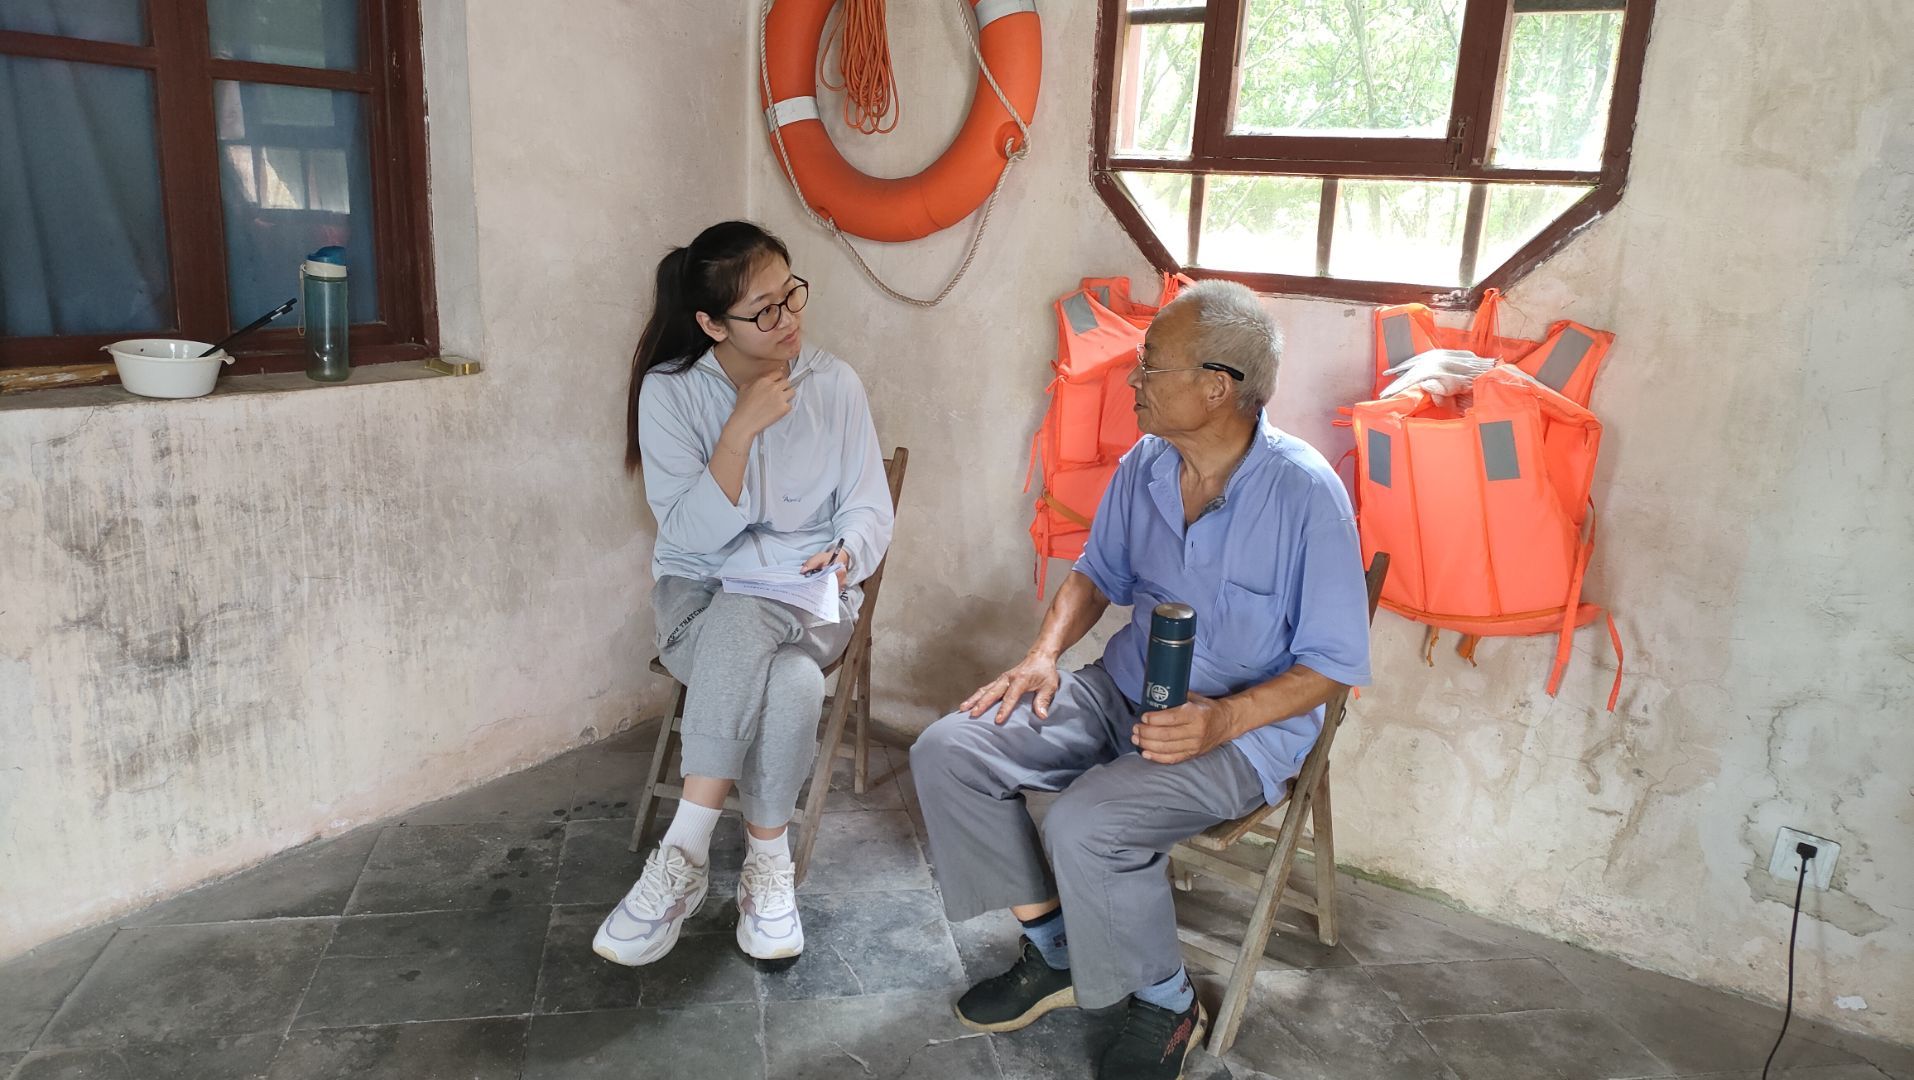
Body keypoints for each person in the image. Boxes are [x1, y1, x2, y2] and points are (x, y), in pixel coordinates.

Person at [909, 280, 1372, 1080]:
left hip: (1240, 734)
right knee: (950, 750)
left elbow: (1333, 667)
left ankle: (1167, 1003)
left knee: (1087, 822)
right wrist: (1043, 655)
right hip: (1121, 693)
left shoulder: (1306, 497)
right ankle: (1054, 950)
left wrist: (1222, 721)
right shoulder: (1147, 466)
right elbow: (1096, 575)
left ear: (1217, 386)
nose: (1133, 381)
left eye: (1150, 366)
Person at [595, 220, 893, 968]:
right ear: (710, 324)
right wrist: (738, 432)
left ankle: (683, 853)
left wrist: (846, 553)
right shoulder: (671, 393)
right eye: (763, 310)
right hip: (698, 602)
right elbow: (689, 537)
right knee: (790, 679)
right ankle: (768, 865)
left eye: (791, 294)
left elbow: (868, 506)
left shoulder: (835, 383)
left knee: (758, 609)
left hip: (812, 598)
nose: (788, 318)